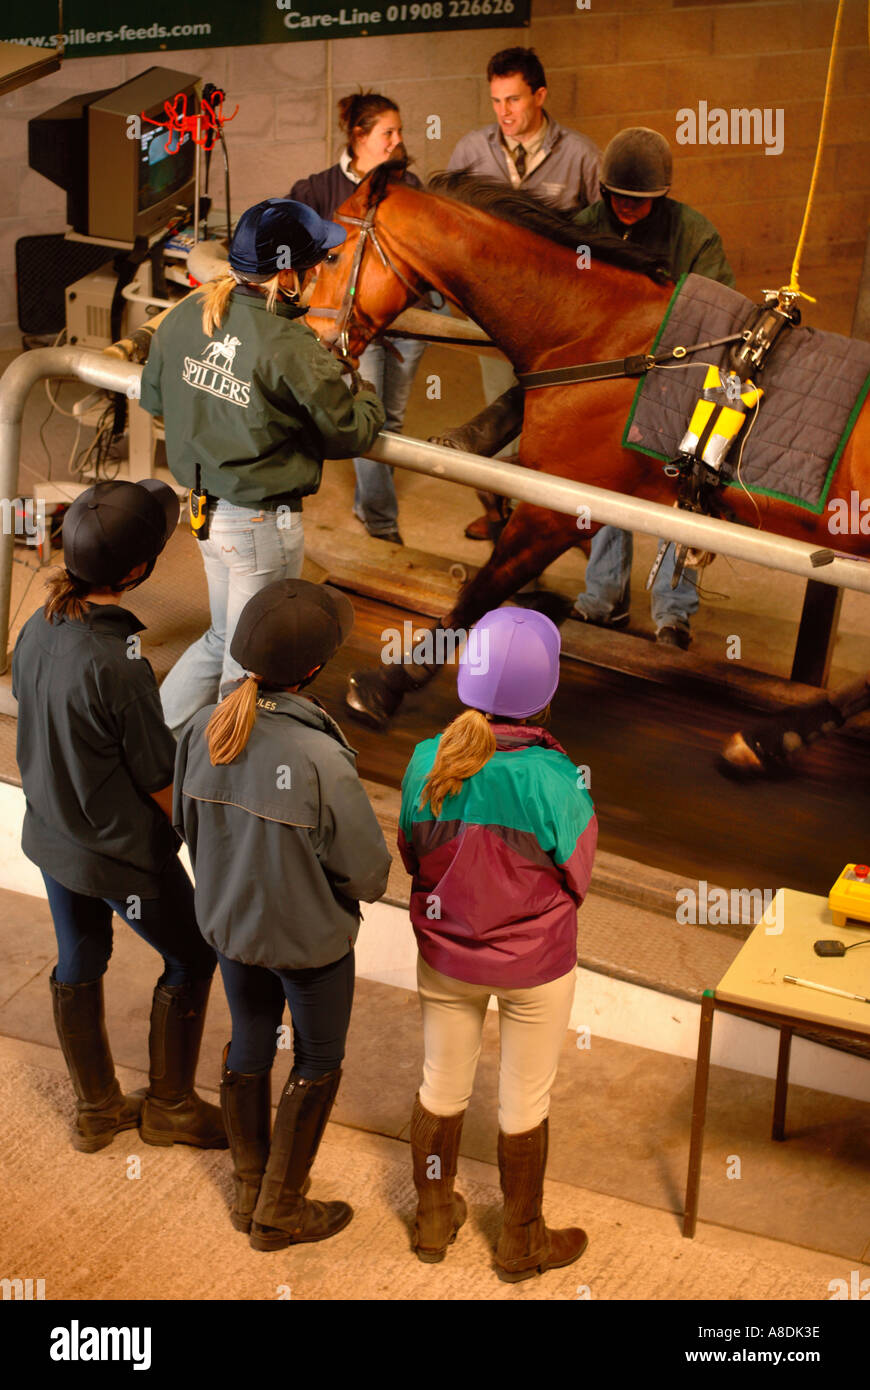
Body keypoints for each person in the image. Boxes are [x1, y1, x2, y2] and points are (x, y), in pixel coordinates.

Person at [173, 579, 391, 1249]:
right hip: (314, 946)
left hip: (232, 932)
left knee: (249, 1039)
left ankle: (248, 1188)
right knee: (318, 1058)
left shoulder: (203, 731)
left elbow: (187, 826)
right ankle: (281, 1210)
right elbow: (370, 875)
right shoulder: (322, 758)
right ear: (316, 670)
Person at [12, 480, 226, 1154]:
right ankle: (170, 1107)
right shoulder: (121, 660)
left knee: (82, 955)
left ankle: (97, 1107)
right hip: (120, 854)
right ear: (138, 572)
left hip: (50, 835)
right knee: (193, 953)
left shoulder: (37, 624)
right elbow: (158, 776)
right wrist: (198, 839)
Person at [398, 608, 598, 1281]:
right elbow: (579, 876)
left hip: (446, 957)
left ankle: (431, 1218)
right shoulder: (557, 778)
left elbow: (411, 853)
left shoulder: (428, 759)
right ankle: (520, 1242)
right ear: (548, 690)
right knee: (525, 1100)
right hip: (536, 966)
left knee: (440, 1083)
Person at [139, 197, 385, 734]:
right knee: (248, 667)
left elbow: (156, 400)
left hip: (204, 512)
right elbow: (351, 430)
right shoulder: (293, 346)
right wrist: (364, 390)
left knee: (222, 637)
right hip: (258, 525)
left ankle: (154, 746)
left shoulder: (188, 311)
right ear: (290, 274)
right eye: (318, 261)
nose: (322, 269)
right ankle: (211, 785)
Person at [570, 127, 736, 648]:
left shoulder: (695, 234)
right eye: (619, 197)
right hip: (606, 379)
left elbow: (718, 312)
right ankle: (603, 599)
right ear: (604, 190)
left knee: (677, 490)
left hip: (676, 380)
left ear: (661, 197)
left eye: (640, 202)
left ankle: (673, 613)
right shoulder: (583, 230)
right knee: (605, 487)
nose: (627, 207)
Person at [446, 46, 600, 540]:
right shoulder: (471, 151)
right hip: (493, 318)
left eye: (513, 100)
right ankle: (500, 514)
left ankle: (544, 520)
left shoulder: (581, 156)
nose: (504, 113)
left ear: (540, 95)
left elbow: (604, 238)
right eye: (495, 101)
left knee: (550, 423)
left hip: (559, 327)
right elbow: (451, 229)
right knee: (499, 416)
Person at [290, 92, 432, 545]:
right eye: (388, 132)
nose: (398, 140)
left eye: (400, 131)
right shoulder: (318, 190)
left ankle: (366, 500)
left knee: (392, 419)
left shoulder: (408, 184)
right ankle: (381, 520)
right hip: (356, 329)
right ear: (359, 137)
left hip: (410, 325)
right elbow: (291, 242)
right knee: (367, 420)